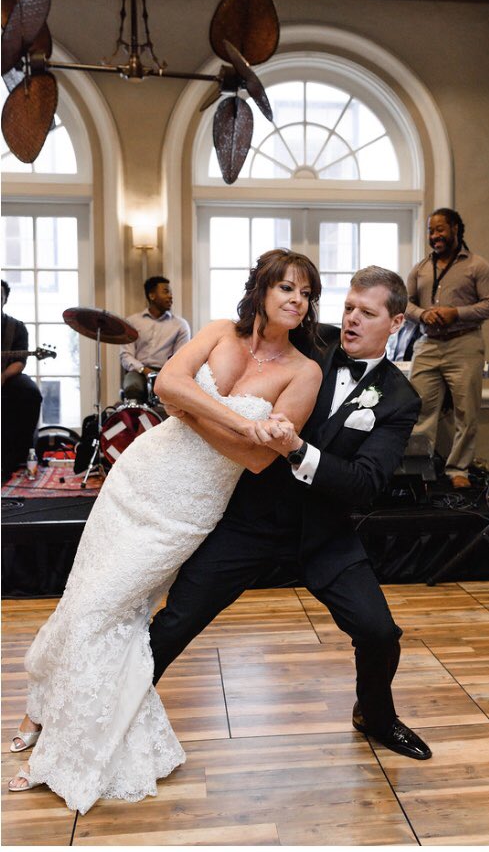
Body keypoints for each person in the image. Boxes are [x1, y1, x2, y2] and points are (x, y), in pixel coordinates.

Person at [8, 249, 323, 813]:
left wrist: (204, 415)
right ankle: (41, 710)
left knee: (106, 608)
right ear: (261, 290)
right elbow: (166, 389)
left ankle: (63, 745)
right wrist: (244, 423)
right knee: (82, 600)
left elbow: (256, 462)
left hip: (186, 507)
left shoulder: (304, 372)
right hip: (136, 479)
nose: (297, 300)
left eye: (305, 292)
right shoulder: (217, 331)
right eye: (287, 288)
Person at [148, 265, 432, 762]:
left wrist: (300, 450)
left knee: (379, 633)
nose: (351, 320)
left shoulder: (400, 398)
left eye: (367, 313)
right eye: (347, 308)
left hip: (325, 533)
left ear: (396, 322)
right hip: (252, 520)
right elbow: (259, 321)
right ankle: (115, 704)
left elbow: (366, 485)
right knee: (175, 622)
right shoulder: (309, 343)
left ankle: (375, 715)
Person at [405, 209, 489, 489]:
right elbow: (404, 304)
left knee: (465, 412)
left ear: (457, 228)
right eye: (430, 231)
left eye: (440, 230)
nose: (434, 236)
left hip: (465, 343)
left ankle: (458, 470)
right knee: (419, 409)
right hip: (428, 344)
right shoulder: (421, 268)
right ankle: (418, 470)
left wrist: (456, 313)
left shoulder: (477, 266)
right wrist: (422, 315)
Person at [120, 275, 191, 403]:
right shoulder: (132, 322)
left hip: (166, 372)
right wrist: (144, 370)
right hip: (138, 371)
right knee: (132, 387)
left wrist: (162, 375)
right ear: (152, 296)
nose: (170, 296)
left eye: (171, 292)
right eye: (166, 291)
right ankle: (135, 421)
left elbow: (180, 358)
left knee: (175, 390)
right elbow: (126, 355)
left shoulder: (180, 325)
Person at [1, 278, 43, 478]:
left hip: (6, 375)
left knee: (30, 392)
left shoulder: (15, 327)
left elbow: (19, 361)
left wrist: (3, 376)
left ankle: (20, 453)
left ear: (5, 299)